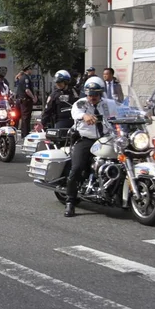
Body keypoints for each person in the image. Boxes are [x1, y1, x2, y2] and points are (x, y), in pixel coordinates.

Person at [65, 76, 118, 217]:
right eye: (90, 94)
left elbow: (124, 110)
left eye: (95, 94)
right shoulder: (80, 104)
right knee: (76, 168)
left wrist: (141, 114)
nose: (92, 97)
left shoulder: (110, 104)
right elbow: (76, 112)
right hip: (86, 139)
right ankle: (70, 201)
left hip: (107, 138)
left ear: (101, 93)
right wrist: (85, 116)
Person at [15, 67, 37, 139]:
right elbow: (27, 90)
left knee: (24, 117)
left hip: (22, 100)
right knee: (26, 118)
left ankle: (24, 133)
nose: (32, 70)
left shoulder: (23, 77)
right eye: (31, 69)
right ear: (27, 70)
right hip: (25, 101)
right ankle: (25, 134)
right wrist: (33, 97)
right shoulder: (25, 78)